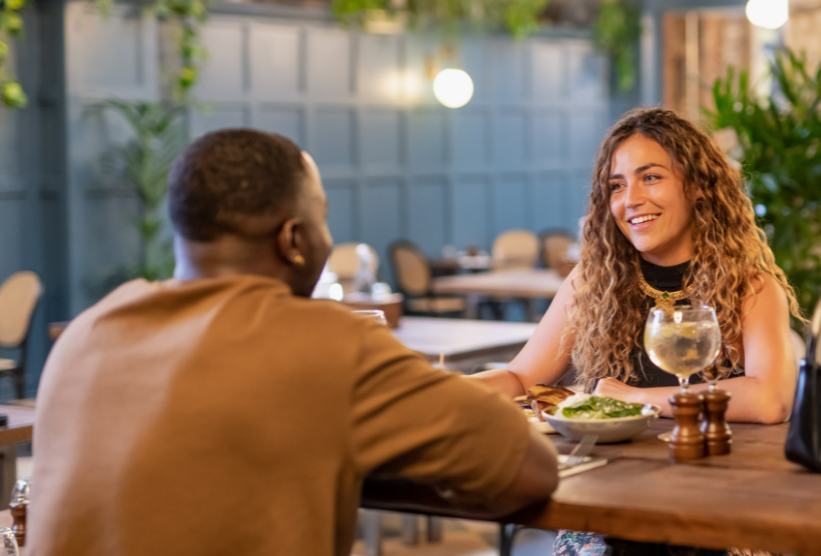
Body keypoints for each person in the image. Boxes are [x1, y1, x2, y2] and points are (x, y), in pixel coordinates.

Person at [30, 129, 558, 556]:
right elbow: (530, 469)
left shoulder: (88, 332)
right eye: (323, 218)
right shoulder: (331, 344)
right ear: (294, 239)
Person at [473, 108, 801, 556]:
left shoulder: (750, 286)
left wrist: (632, 399)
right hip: (609, 501)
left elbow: (769, 401)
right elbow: (521, 379)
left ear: (698, 185)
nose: (631, 200)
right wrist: (431, 391)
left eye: (651, 177)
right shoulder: (591, 283)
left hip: (716, 504)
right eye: (617, 185)